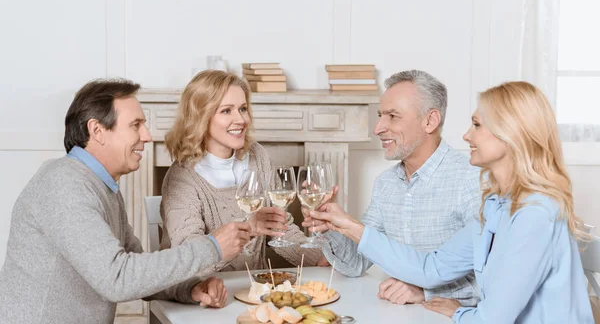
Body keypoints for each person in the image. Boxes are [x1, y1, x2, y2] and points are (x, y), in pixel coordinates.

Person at [307, 81, 594, 323]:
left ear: (511, 135)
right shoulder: (496, 204)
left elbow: (493, 319)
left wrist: (460, 313)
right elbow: (433, 268)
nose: (466, 135)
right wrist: (346, 225)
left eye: (477, 125)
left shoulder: (536, 212)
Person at [0, 79, 252, 324]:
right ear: (97, 130)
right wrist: (213, 247)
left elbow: (137, 268)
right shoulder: (64, 184)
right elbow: (119, 278)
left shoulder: (99, 185)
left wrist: (191, 289)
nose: (147, 136)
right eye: (136, 125)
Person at [303, 70, 481, 306]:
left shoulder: (471, 180)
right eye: (380, 116)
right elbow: (356, 264)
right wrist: (331, 225)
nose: (377, 128)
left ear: (430, 121)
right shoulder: (386, 184)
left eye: (393, 116)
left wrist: (426, 292)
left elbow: (496, 278)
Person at [160, 70, 325, 272]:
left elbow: (280, 227)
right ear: (201, 116)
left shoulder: (257, 156)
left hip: (254, 289)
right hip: (203, 294)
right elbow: (190, 260)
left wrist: (319, 258)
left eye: (243, 109)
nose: (241, 120)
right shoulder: (182, 178)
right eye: (226, 110)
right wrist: (249, 228)